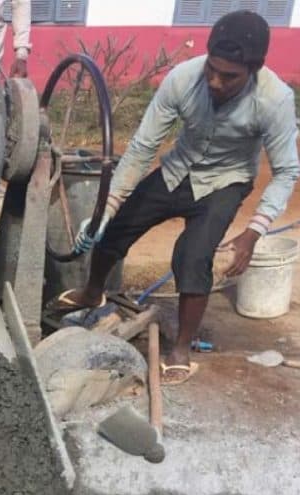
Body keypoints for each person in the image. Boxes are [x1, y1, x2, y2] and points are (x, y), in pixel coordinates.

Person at [52, 10, 299, 385]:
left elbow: (286, 172)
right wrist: (108, 207)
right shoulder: (183, 78)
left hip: (226, 182)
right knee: (117, 227)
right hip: (177, 169)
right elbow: (142, 147)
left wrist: (253, 233)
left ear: (254, 69)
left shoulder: (274, 100)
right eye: (211, 69)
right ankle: (92, 292)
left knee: (192, 256)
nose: (215, 81)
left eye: (229, 76)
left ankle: (182, 348)